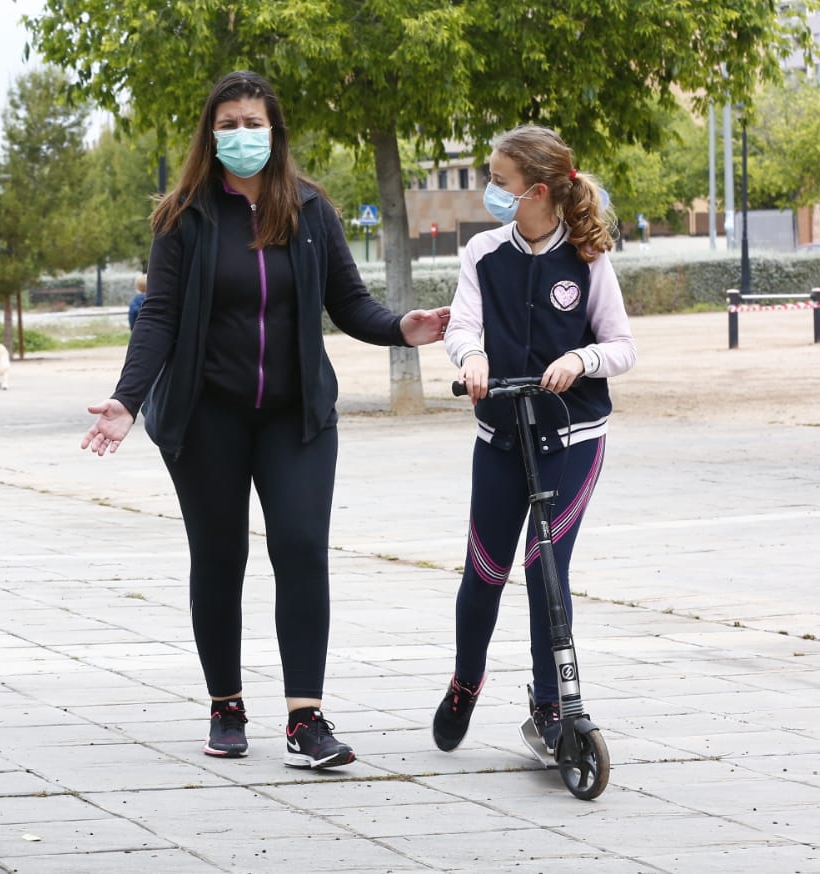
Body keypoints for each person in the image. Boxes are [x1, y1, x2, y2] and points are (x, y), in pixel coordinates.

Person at [81, 71, 450, 770]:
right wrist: (127, 400)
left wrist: (404, 326)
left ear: (274, 130)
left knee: (302, 548)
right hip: (205, 417)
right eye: (227, 124)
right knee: (220, 558)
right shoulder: (181, 216)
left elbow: (349, 304)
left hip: (295, 418)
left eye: (252, 122)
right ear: (209, 134)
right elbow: (157, 316)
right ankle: (226, 704)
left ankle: (304, 719)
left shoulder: (309, 210)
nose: (240, 134)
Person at [432, 124, 635, 756]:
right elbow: (462, 325)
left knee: (547, 565)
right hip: (500, 432)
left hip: (572, 437)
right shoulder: (483, 254)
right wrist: (470, 358)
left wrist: (581, 360)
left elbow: (622, 347)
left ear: (538, 191)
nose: (489, 189)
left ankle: (551, 708)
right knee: (484, 571)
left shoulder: (589, 256)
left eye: (499, 181)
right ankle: (467, 680)